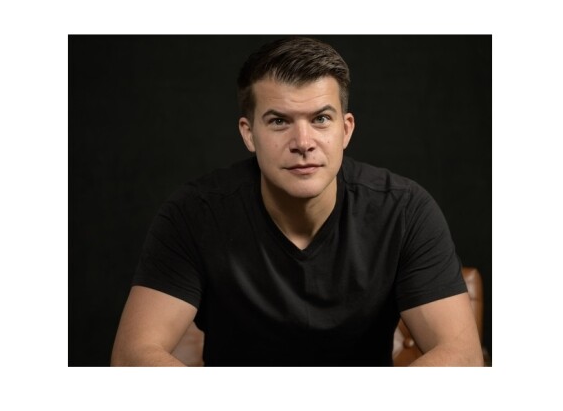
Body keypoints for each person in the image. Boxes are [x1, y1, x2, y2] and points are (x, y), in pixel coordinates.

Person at [111, 36, 483, 366]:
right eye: (279, 121)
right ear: (249, 133)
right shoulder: (194, 213)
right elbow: (132, 356)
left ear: (345, 129)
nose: (303, 142)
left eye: (320, 119)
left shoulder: (404, 210)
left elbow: (463, 358)